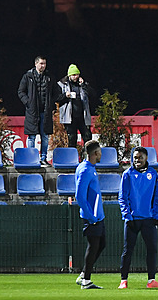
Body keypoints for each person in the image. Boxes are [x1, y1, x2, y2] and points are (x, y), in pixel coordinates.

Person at [118, 147, 158, 289]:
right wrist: (127, 216)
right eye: (135, 157)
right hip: (132, 219)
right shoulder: (127, 174)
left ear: (146, 158)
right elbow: (122, 197)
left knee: (152, 249)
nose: (137, 160)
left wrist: (156, 215)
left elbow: (156, 197)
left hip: (148, 219)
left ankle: (151, 281)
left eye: (140, 157)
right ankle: (123, 280)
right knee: (128, 250)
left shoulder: (153, 174)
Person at [17, 55, 63, 165]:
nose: (43, 66)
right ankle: (31, 158)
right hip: (32, 112)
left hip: (45, 112)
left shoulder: (50, 77)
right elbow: (20, 92)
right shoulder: (28, 76)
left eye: (44, 63)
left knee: (45, 136)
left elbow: (57, 92)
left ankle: (43, 158)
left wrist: (51, 104)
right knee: (31, 136)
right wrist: (28, 103)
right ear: (36, 64)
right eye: (41, 63)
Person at [75, 140, 106, 289]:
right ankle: (86, 280)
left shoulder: (88, 167)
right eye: (100, 152)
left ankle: (84, 274)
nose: (101, 154)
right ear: (95, 153)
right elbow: (79, 196)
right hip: (92, 217)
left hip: (98, 216)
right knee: (93, 246)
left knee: (101, 245)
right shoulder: (86, 170)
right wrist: (91, 216)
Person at [58, 64, 94, 149]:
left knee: (87, 137)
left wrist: (84, 85)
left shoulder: (82, 84)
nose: (76, 77)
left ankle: (88, 158)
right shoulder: (62, 84)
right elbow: (56, 98)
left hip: (82, 117)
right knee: (72, 139)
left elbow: (93, 94)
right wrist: (65, 96)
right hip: (69, 117)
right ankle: (72, 160)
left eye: (77, 74)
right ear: (69, 75)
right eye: (74, 75)